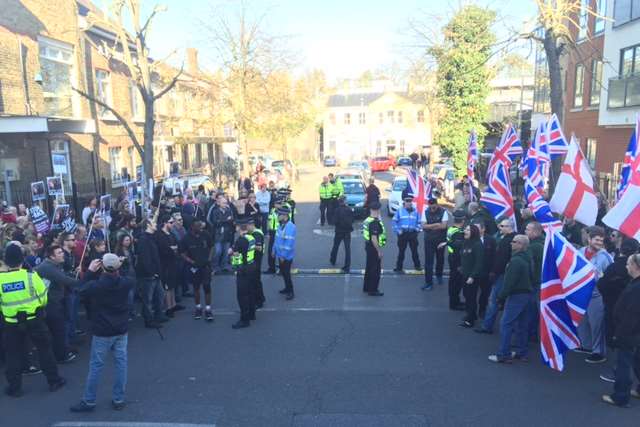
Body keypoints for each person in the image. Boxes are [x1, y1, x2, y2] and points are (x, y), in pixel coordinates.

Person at [1, 244, 71, 396]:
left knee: (13, 355)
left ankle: (15, 388)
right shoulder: (31, 276)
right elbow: (44, 298)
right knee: (44, 350)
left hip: (12, 322)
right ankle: (54, 381)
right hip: (34, 320)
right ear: (21, 260)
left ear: (6, 261)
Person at [70, 253, 135, 412]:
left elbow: (79, 289)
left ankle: (89, 400)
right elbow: (130, 276)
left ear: (102, 268)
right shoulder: (125, 283)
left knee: (96, 366)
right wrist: (121, 264)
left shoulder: (96, 286)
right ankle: (118, 398)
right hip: (120, 329)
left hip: (102, 331)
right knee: (121, 363)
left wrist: (90, 272)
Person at [601, 252, 640, 407]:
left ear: (636, 267)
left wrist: (619, 335)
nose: (626, 266)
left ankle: (620, 396)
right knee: (637, 361)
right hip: (635, 333)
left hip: (629, 334)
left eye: (628, 263)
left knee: (623, 364)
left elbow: (631, 315)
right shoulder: (634, 283)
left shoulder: (636, 288)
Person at [488, 234, 533, 363]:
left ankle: (503, 354)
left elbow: (509, 282)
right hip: (527, 295)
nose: (511, 243)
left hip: (517, 296)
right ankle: (521, 352)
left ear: (520, 245)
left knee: (506, 324)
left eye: (514, 242)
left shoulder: (515, 261)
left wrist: (501, 297)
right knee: (522, 325)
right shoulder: (528, 258)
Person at [35, 245, 81, 364]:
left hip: (55, 301)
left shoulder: (54, 265)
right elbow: (64, 280)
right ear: (51, 256)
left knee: (59, 329)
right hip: (50, 304)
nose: (63, 254)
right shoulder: (47, 268)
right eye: (59, 252)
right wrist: (83, 280)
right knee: (58, 330)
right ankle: (61, 356)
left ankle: (63, 349)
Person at [578, 226, 614, 364]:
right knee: (582, 321)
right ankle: (586, 346)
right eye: (597, 240)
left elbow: (612, 276)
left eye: (601, 240)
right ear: (589, 239)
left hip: (597, 296)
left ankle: (598, 352)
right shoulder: (580, 251)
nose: (599, 242)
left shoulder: (606, 257)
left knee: (596, 323)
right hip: (582, 292)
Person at [476, 217, 517, 334]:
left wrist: (493, 272)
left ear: (510, 227)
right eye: (500, 226)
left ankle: (487, 326)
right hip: (507, 273)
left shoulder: (505, 241)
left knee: (493, 300)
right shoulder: (513, 238)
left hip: (501, 275)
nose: (500, 228)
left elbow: (501, 260)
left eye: (503, 226)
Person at [599, 239, 640, 350]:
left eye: (629, 265)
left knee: (623, 354)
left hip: (613, 306)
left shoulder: (613, 267)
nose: (627, 267)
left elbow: (602, 285)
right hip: (631, 320)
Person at [135, 219, 167, 329]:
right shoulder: (144, 239)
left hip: (155, 273)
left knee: (160, 295)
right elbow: (145, 259)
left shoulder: (151, 237)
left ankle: (159, 314)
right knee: (147, 298)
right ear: (148, 225)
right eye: (154, 223)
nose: (156, 225)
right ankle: (149, 320)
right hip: (148, 275)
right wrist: (151, 272)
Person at [180, 220, 214, 321]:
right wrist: (190, 261)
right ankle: (198, 307)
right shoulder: (186, 238)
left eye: (201, 226)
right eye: (198, 227)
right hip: (194, 267)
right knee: (196, 287)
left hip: (205, 266)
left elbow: (211, 246)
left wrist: (209, 258)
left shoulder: (205, 234)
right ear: (192, 227)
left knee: (207, 286)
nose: (201, 228)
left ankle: (208, 309)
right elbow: (182, 252)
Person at [230, 217, 257, 329]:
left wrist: (231, 253)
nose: (235, 228)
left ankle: (244, 319)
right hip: (251, 266)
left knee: (242, 296)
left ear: (239, 227)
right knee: (250, 292)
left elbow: (235, 255)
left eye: (236, 226)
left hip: (243, 270)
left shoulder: (240, 240)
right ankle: (252, 314)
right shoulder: (251, 237)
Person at [440, 210, 466, 310]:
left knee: (453, 281)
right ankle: (454, 303)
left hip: (452, 257)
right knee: (456, 282)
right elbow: (458, 246)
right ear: (463, 220)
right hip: (456, 259)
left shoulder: (451, 229)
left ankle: (455, 301)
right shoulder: (458, 233)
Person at [421, 197, 449, 290]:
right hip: (429, 241)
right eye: (431, 207)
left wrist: (430, 227)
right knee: (428, 262)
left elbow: (444, 226)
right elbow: (423, 226)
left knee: (440, 259)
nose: (432, 209)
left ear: (437, 204)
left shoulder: (444, 212)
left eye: (434, 207)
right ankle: (428, 282)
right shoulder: (425, 212)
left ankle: (439, 275)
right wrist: (436, 224)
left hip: (440, 240)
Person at [155, 216, 180, 318]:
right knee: (167, 287)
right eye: (171, 222)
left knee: (172, 284)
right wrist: (172, 249)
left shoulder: (171, 233)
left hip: (173, 262)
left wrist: (175, 248)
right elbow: (162, 249)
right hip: (165, 264)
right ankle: (168, 307)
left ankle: (173, 304)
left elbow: (176, 244)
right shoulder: (160, 235)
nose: (173, 224)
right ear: (165, 223)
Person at [460, 224, 484, 328]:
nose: (465, 231)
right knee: (466, 295)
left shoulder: (477, 245)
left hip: (472, 276)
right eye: (465, 229)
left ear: (473, 232)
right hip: (465, 274)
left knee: (471, 297)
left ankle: (470, 320)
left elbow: (479, 262)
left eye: (468, 230)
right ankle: (471, 315)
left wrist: (472, 276)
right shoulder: (466, 243)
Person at [525, 221, 545, 341]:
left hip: (535, 282)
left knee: (531, 310)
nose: (525, 231)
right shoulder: (542, 243)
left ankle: (530, 334)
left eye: (528, 229)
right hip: (539, 281)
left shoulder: (534, 247)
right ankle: (532, 333)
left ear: (536, 232)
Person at [473, 221, 496, 319]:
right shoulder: (470, 239)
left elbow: (494, 255)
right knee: (471, 293)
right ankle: (471, 312)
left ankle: (482, 310)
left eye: (477, 228)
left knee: (485, 293)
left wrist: (492, 271)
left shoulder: (491, 240)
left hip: (486, 272)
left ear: (483, 229)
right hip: (473, 272)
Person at [392, 196, 421, 272]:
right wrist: (398, 231)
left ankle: (417, 266)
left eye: (410, 201)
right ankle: (399, 267)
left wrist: (417, 230)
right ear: (404, 202)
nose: (409, 203)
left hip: (412, 234)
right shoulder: (400, 211)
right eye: (407, 201)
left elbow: (419, 222)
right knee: (401, 252)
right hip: (403, 234)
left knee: (414, 251)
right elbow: (394, 221)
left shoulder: (416, 211)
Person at [362, 201, 385, 297]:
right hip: (373, 247)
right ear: (378, 210)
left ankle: (366, 287)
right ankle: (373, 290)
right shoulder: (374, 222)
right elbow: (374, 238)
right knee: (375, 270)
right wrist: (379, 251)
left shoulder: (367, 219)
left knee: (369, 267)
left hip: (368, 246)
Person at [273, 206, 296, 300]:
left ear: (285, 216)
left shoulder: (291, 227)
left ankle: (291, 292)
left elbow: (289, 244)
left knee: (286, 274)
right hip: (280, 255)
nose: (278, 216)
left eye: (280, 214)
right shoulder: (281, 225)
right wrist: (273, 250)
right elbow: (277, 239)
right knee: (284, 273)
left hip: (286, 256)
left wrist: (283, 256)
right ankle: (287, 288)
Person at [207, 194, 234, 274]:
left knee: (226, 251)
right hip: (218, 234)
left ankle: (224, 266)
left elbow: (231, 220)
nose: (225, 204)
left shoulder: (229, 210)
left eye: (226, 203)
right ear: (219, 203)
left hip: (227, 234)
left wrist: (223, 221)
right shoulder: (215, 211)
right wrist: (226, 220)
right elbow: (215, 222)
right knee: (218, 251)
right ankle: (215, 266)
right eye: (223, 203)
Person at [330, 196, 353, 273]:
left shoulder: (337, 210)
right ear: (344, 201)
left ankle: (333, 260)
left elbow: (334, 221)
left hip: (339, 231)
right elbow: (352, 220)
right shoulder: (349, 210)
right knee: (347, 249)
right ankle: (347, 266)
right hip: (347, 232)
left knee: (335, 246)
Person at [248, 218, 266, 308]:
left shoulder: (257, 234)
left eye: (247, 226)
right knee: (256, 281)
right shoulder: (255, 232)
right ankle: (261, 298)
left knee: (255, 281)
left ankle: (259, 301)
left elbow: (258, 247)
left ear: (252, 225)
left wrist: (246, 245)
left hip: (256, 260)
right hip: (256, 260)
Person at [264, 198, 283, 274]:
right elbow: (269, 220)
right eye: (278, 203)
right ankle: (271, 268)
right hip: (272, 232)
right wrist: (269, 231)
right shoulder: (272, 211)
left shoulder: (282, 212)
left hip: (279, 232)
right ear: (274, 204)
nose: (279, 205)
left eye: (280, 203)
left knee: (280, 251)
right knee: (271, 251)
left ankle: (282, 269)